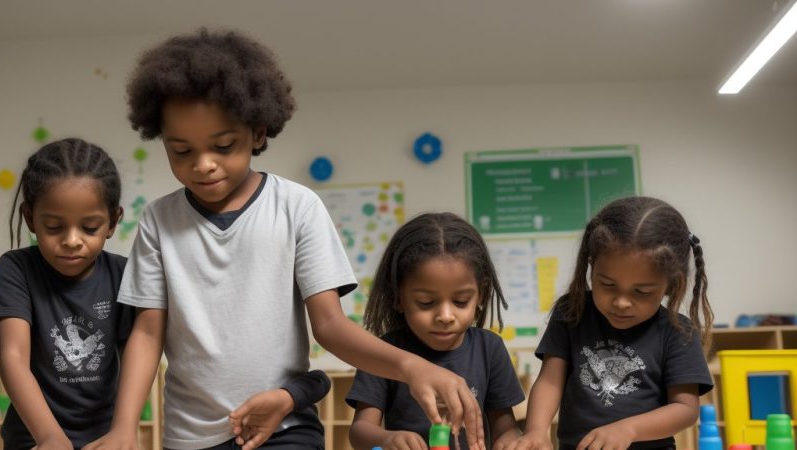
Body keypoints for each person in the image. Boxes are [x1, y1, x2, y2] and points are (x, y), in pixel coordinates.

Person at [109, 28, 486, 450]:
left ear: (257, 133)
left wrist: (412, 367)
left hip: (285, 428)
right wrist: (124, 428)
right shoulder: (158, 220)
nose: (203, 165)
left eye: (223, 145)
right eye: (181, 151)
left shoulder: (296, 207)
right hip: (190, 438)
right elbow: (147, 335)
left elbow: (330, 325)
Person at [506, 196, 714, 450]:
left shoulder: (678, 331)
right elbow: (550, 381)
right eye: (607, 284)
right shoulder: (571, 311)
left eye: (642, 292)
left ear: (671, 284)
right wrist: (536, 431)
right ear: (591, 266)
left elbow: (685, 409)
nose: (621, 302)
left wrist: (629, 429)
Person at [0, 138, 133, 449]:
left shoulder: (123, 274)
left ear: (113, 221)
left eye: (89, 228)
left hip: (104, 439)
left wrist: (124, 430)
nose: (72, 240)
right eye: (54, 227)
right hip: (33, 437)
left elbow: (135, 356)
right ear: (30, 218)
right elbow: (13, 358)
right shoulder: (15, 270)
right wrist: (50, 437)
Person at [346, 213, 524, 450]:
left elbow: (506, 427)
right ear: (398, 297)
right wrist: (386, 439)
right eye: (426, 303)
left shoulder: (489, 348)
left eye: (461, 301)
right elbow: (360, 430)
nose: (445, 316)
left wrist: (511, 442)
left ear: (480, 295)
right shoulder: (383, 353)